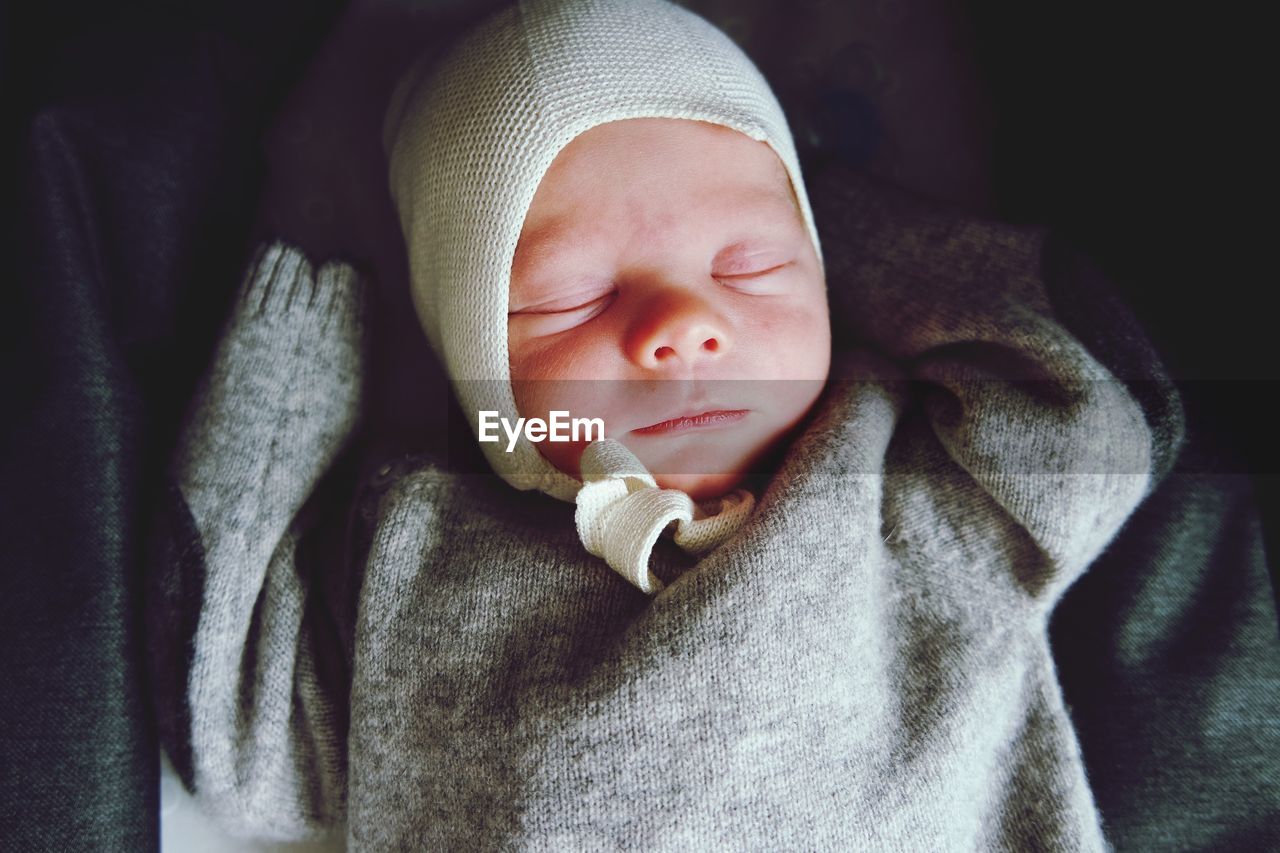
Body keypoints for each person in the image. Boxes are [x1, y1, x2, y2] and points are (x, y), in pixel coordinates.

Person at [149, 0, 1167, 848]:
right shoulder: (412, 541)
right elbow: (233, 741)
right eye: (573, 297)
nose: (681, 327)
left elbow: (1096, 415)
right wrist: (300, 343)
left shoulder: (910, 480)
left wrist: (833, 219)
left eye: (748, 266)